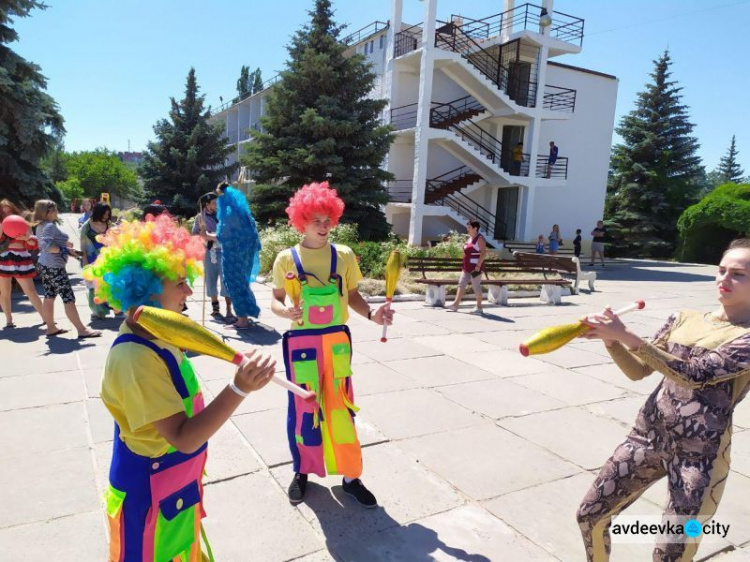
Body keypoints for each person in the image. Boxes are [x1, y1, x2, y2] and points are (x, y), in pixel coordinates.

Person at [84, 213, 276, 560]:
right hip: (148, 498)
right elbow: (184, 437)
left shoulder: (161, 335)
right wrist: (239, 389)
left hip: (174, 488)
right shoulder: (135, 359)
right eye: (179, 282)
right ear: (144, 288)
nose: (189, 290)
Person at [576, 238, 750, 561]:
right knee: (590, 516)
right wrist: (613, 342)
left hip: (701, 458)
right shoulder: (682, 317)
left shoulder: (746, 337)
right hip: (646, 438)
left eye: (738, 274)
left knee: (671, 553)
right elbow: (640, 369)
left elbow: (694, 374)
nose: (724, 279)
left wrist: (625, 334)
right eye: (722, 270)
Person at [270, 181, 393, 508]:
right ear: (301, 221)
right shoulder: (286, 258)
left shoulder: (344, 256)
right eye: (316, 221)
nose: (324, 227)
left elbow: (352, 296)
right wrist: (286, 312)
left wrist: (373, 315)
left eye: (328, 220)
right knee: (303, 408)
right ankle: (302, 471)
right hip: (301, 341)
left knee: (341, 407)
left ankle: (351, 477)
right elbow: (275, 300)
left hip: (337, 341)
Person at [33, 200, 101, 338]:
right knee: (68, 298)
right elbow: (47, 246)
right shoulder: (50, 226)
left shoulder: (41, 225)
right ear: (49, 211)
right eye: (56, 210)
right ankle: (82, 330)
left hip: (45, 265)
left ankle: (51, 328)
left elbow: (47, 244)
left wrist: (66, 247)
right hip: (54, 267)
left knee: (49, 296)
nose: (57, 212)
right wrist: (64, 249)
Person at [0, 201, 57, 332]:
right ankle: (9, 320)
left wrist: (27, 238)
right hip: (4, 259)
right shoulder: (1, 225)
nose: (6, 213)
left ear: (13, 210)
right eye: (3, 211)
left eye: (9, 210)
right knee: (4, 292)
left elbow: (34, 243)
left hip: (21, 258)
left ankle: (46, 318)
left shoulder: (22, 222)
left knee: (31, 291)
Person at [216, 181, 261, 330]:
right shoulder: (243, 211)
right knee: (243, 284)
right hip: (245, 254)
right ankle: (245, 315)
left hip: (233, 256)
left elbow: (223, 236)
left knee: (234, 285)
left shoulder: (229, 212)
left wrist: (206, 235)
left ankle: (242, 320)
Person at [192, 192, 234, 321]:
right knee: (210, 279)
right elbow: (194, 235)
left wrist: (209, 235)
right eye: (215, 203)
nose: (217, 205)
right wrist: (201, 233)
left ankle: (229, 310)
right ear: (207, 204)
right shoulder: (200, 217)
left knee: (226, 280)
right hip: (208, 252)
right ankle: (215, 308)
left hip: (224, 252)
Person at [80, 203, 113, 319]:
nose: (106, 216)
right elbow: (82, 248)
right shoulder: (86, 227)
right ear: (98, 212)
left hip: (108, 260)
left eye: (108, 214)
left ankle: (114, 307)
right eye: (104, 214)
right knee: (94, 287)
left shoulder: (110, 225)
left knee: (109, 284)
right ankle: (97, 311)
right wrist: (85, 264)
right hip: (91, 260)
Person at [446, 220, 486, 314]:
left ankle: (479, 307)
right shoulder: (469, 238)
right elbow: (466, 251)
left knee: (476, 286)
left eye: (469, 227)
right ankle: (455, 305)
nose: (467, 229)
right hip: (466, 266)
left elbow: (483, 253)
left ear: (475, 228)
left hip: (476, 267)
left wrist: (478, 265)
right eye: (467, 227)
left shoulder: (480, 238)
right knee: (461, 284)